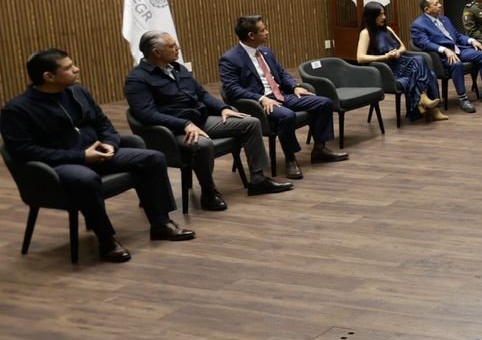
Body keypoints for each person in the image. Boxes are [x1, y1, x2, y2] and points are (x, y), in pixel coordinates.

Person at [3, 48, 193, 263]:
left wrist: (110, 144)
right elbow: (24, 151)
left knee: (153, 158)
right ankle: (106, 240)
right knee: (85, 179)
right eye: (68, 68)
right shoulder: (17, 110)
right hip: (60, 164)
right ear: (49, 76)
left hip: (99, 153)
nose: (77, 69)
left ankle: (161, 223)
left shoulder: (78, 92)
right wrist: (81, 156)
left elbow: (103, 124)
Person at [123, 31, 290, 210]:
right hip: (172, 131)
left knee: (251, 123)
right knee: (203, 145)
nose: (178, 48)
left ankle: (258, 179)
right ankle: (208, 193)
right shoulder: (137, 79)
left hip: (200, 120)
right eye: (172, 46)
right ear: (156, 52)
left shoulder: (178, 68)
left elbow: (202, 94)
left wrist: (222, 108)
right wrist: (184, 124)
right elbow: (146, 114)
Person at [219, 15, 348, 179]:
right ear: (251, 35)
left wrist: (295, 86)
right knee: (287, 116)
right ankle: (290, 159)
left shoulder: (266, 51)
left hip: (282, 95)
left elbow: (281, 73)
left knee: (324, 103)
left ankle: (319, 150)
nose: (267, 32)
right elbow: (231, 89)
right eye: (263, 30)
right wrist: (260, 98)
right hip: (260, 103)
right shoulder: (230, 59)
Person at [355, 1, 446, 123]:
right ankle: (426, 103)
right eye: (380, 15)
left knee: (430, 71)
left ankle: (426, 103)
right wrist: (385, 56)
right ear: (371, 16)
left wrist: (397, 52)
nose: (384, 17)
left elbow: (403, 47)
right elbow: (360, 58)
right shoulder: (365, 33)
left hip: (400, 63)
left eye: (384, 14)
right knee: (419, 61)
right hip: (387, 69)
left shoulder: (387, 29)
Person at [410, 0, 482, 110]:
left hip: (458, 50)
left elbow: (457, 35)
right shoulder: (418, 25)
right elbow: (424, 43)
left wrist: (471, 40)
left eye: (438, 3)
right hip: (440, 56)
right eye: (436, 4)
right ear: (427, 9)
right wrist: (444, 50)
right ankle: (463, 98)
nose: (440, 5)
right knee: (456, 64)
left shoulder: (444, 19)